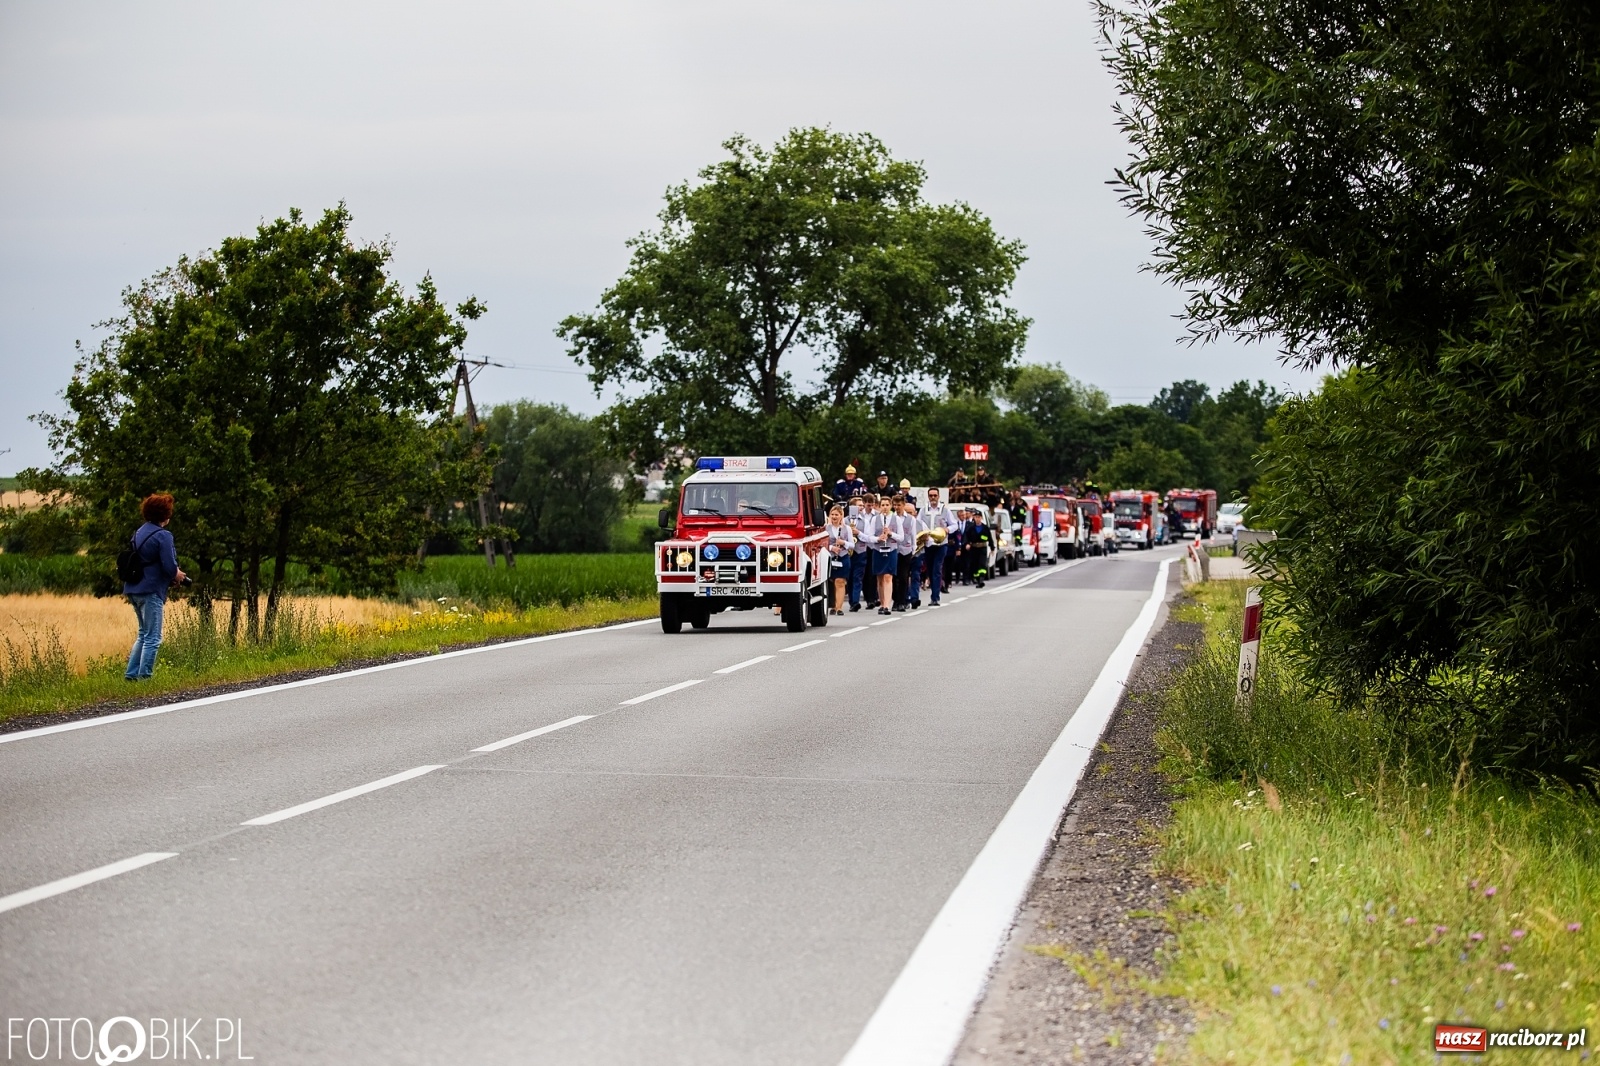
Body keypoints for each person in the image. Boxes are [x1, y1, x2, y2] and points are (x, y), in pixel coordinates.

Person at [121, 492, 185, 681]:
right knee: (153, 637)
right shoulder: (163, 536)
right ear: (165, 514)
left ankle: (131, 675)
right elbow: (169, 566)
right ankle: (145, 677)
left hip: (134, 588)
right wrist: (177, 575)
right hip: (151, 590)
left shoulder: (139, 532)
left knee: (143, 634)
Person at [921, 487, 959, 606]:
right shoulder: (923, 510)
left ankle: (935, 597)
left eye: (935, 495)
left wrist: (947, 529)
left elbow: (955, 525)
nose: (933, 498)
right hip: (928, 544)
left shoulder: (945, 510)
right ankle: (934, 592)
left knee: (937, 569)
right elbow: (918, 523)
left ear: (938, 496)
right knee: (930, 569)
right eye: (931, 495)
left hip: (941, 544)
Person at [868, 495, 898, 615]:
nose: (885, 507)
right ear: (879, 507)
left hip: (891, 549)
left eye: (887, 505)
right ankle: (882, 603)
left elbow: (901, 537)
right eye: (883, 505)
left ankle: (887, 605)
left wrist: (891, 534)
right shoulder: (875, 519)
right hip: (878, 550)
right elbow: (870, 536)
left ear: (891, 506)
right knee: (880, 577)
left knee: (888, 576)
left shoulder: (896, 519)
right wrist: (878, 538)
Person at [825, 504, 854, 615]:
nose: (834, 517)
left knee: (840, 581)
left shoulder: (847, 528)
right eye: (832, 514)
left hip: (843, 557)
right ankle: (832, 605)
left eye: (836, 515)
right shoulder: (826, 528)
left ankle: (839, 607)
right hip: (830, 557)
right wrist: (831, 548)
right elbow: (821, 544)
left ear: (841, 516)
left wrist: (843, 543)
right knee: (831, 582)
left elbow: (852, 545)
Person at [847, 495, 871, 611]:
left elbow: (868, 537)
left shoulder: (865, 521)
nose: (862, 507)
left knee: (857, 577)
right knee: (850, 577)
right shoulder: (845, 520)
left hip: (861, 551)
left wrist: (858, 533)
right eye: (859, 506)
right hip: (847, 552)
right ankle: (852, 600)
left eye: (862, 505)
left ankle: (855, 602)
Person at [961, 507, 991, 588]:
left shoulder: (985, 528)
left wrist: (992, 548)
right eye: (976, 517)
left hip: (982, 548)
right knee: (975, 565)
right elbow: (966, 537)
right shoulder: (971, 528)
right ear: (974, 518)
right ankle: (977, 579)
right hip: (974, 548)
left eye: (979, 517)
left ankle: (981, 579)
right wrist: (967, 544)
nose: (977, 519)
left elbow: (990, 538)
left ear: (981, 518)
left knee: (982, 564)